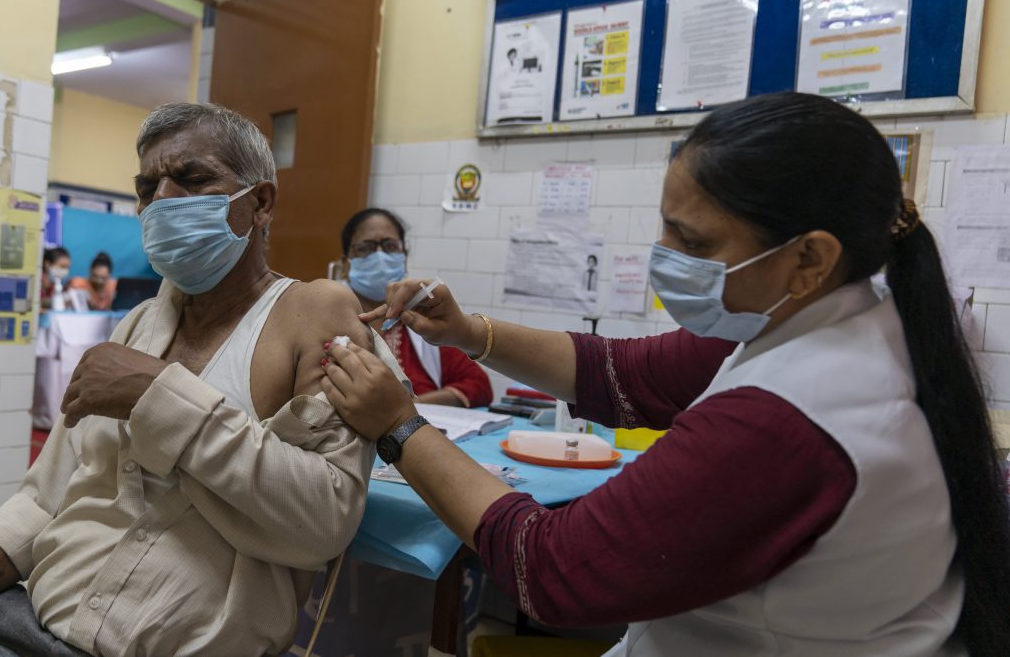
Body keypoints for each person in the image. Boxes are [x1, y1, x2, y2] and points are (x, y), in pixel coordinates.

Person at [320, 93, 1010, 655]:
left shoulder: (796, 415)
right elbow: (626, 374)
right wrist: (474, 333)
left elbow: (555, 568)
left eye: (694, 241)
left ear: (809, 258)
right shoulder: (838, 311)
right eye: (667, 227)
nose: (664, 254)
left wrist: (401, 427)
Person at [0, 102, 399, 657]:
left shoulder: (311, 312)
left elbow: (321, 524)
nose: (162, 200)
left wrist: (156, 395)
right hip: (17, 627)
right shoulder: (139, 325)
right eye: (146, 187)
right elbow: (39, 504)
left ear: (260, 202)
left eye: (191, 178)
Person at [341, 207, 492, 408]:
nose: (380, 257)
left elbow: (479, 386)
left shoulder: (424, 316)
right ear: (346, 263)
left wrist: (410, 407)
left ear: (404, 255)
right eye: (366, 248)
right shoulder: (327, 315)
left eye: (390, 246)